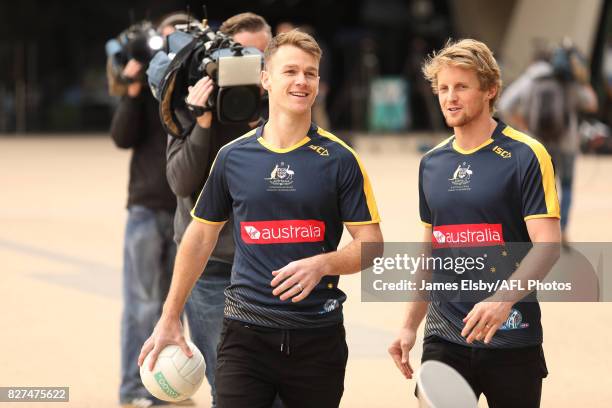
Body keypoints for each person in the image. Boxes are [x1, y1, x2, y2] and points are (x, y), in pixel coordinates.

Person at [140, 30, 383, 407]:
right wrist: (170, 316)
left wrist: (324, 264)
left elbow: (372, 244)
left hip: (318, 338)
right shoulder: (232, 156)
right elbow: (199, 237)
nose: (302, 81)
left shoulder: (341, 159)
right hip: (245, 338)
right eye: (290, 71)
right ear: (265, 79)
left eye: (311, 73)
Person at [388, 39, 561, 407]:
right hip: (445, 336)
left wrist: (501, 302)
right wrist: (408, 325)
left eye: (461, 87)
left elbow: (548, 245)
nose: (450, 97)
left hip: (512, 334)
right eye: (443, 88)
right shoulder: (431, 163)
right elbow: (431, 253)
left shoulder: (526, 155)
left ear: (490, 90)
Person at [164, 12, 272, 406]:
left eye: (261, 57)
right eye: (243, 56)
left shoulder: (276, 108)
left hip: (266, 261)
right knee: (228, 383)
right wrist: (202, 124)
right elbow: (181, 183)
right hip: (210, 266)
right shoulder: (187, 101)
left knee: (273, 379)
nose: (254, 68)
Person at [109, 23, 179, 408]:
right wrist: (133, 89)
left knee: (175, 306)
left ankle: (166, 387)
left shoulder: (193, 87)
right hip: (146, 206)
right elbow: (121, 137)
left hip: (186, 210)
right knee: (142, 304)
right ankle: (134, 389)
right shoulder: (146, 87)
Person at [498, 40, 598, 244]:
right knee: (566, 186)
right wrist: (582, 78)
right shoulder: (566, 82)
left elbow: (505, 104)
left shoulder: (530, 80)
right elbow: (592, 103)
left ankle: (533, 232)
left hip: (537, 143)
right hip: (567, 143)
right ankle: (561, 231)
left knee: (537, 188)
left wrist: (524, 127)